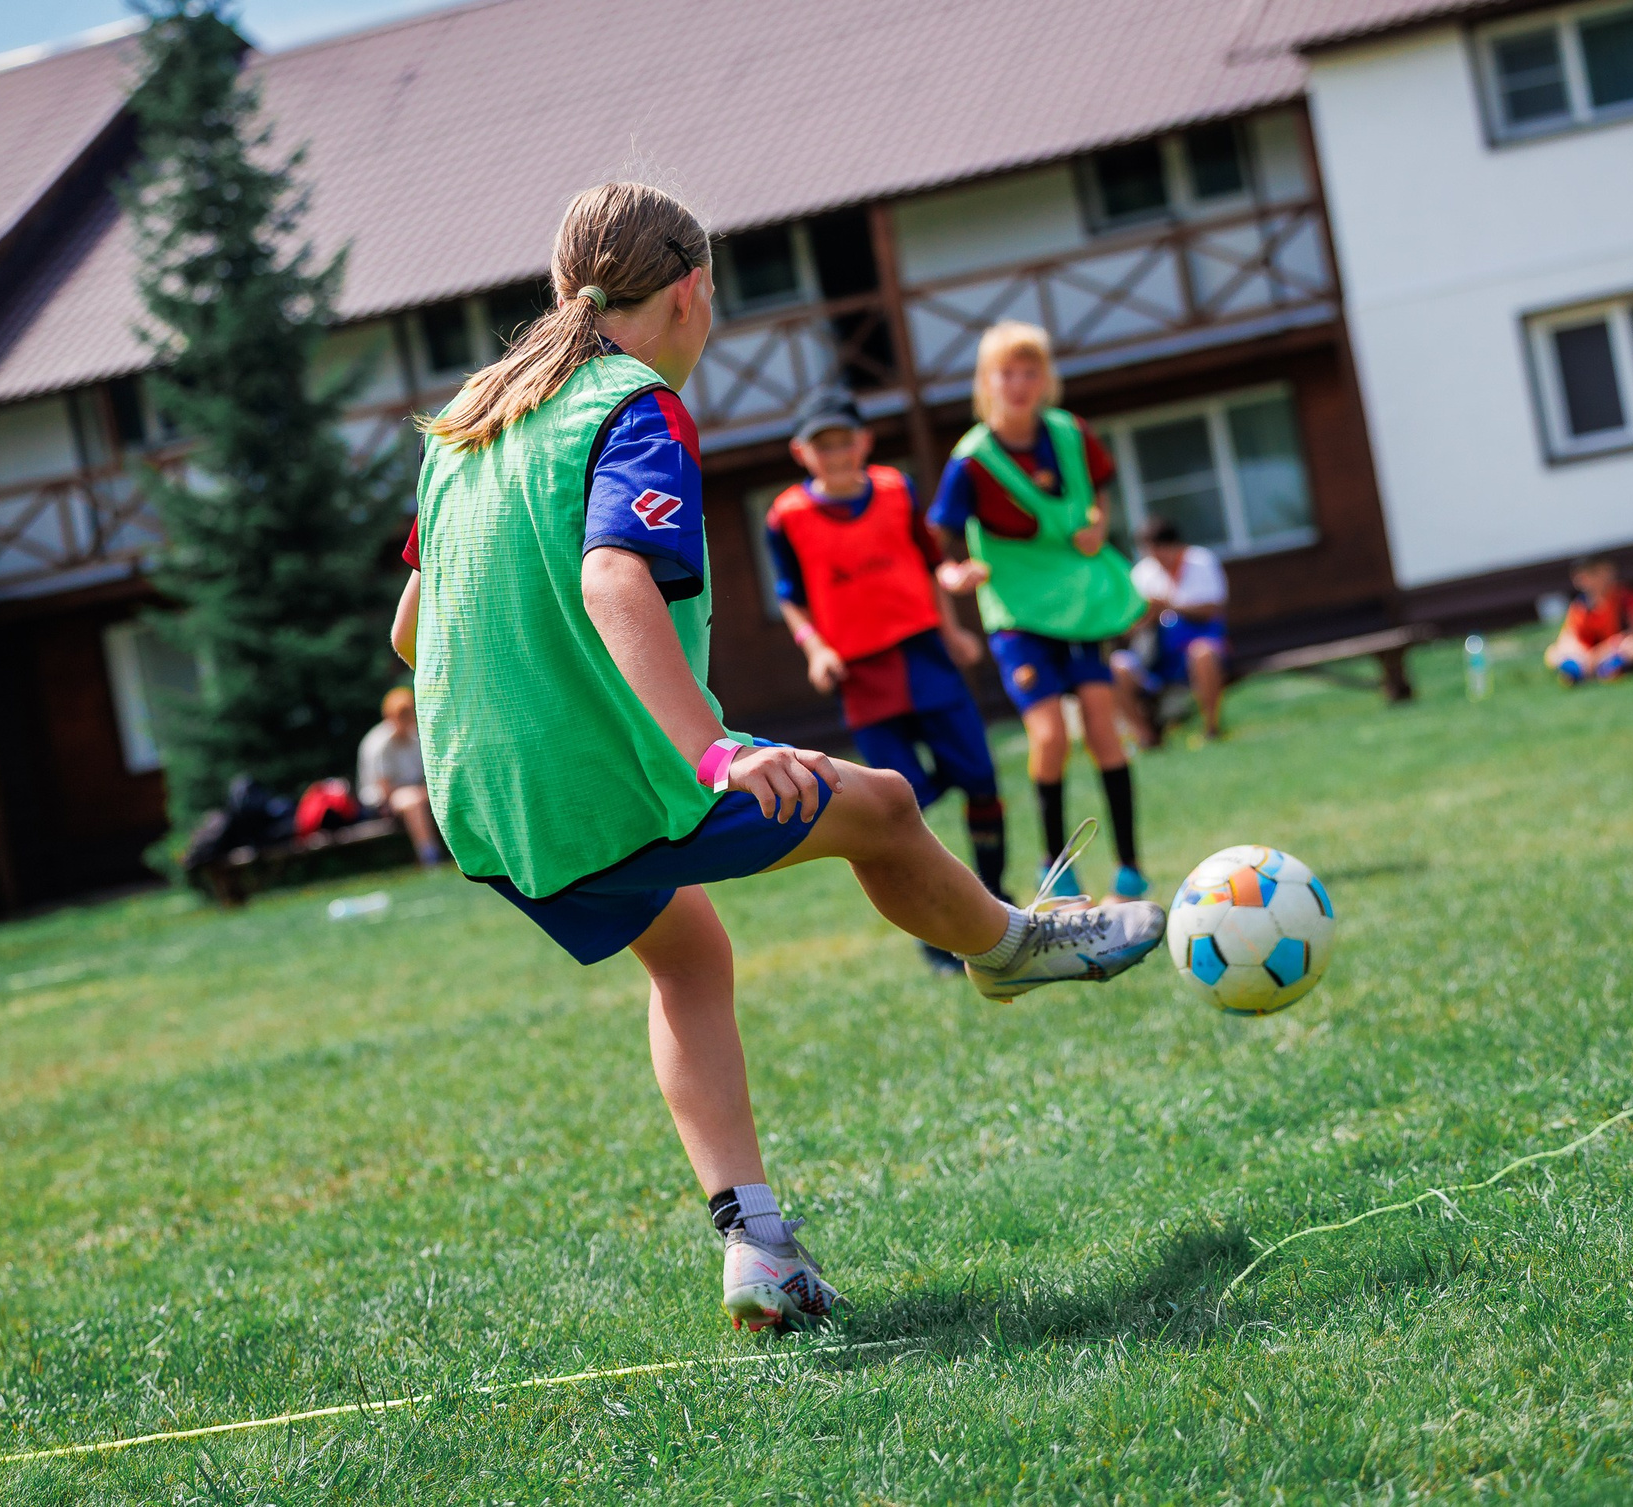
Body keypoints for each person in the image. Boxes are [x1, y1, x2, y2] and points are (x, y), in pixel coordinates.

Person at [391, 184, 1164, 1333]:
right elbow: (613, 578)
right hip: (604, 782)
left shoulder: (471, 421)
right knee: (886, 803)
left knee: (688, 954)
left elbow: (410, 626)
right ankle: (1008, 946)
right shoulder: (633, 405)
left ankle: (759, 1250)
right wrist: (709, 756)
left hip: (482, 813)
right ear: (697, 293)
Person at [764, 385, 1006, 971]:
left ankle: (994, 901)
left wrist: (951, 631)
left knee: (980, 778)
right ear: (803, 453)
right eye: (823, 445)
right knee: (892, 811)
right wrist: (815, 647)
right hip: (862, 675)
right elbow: (790, 597)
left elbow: (927, 564)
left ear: (863, 443)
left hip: (925, 655)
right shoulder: (786, 517)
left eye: (844, 441)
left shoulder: (897, 491)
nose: (836, 453)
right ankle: (934, 932)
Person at [926, 322, 1150, 900]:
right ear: (986, 382)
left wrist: (1099, 521)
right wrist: (956, 574)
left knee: (1104, 727)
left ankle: (1130, 868)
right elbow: (941, 541)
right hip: (1020, 616)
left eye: (1031, 372)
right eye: (1007, 373)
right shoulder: (972, 460)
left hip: (1080, 607)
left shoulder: (1070, 433)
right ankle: (1057, 865)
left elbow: (1101, 488)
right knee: (1049, 736)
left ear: (1046, 379)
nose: (1020, 384)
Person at [1113, 517, 1229, 744]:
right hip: (1156, 653)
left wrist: (1169, 605)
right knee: (1117, 666)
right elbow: (1127, 628)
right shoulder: (1142, 573)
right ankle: (1146, 738)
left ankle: (1211, 728)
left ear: (1176, 545)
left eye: (1160, 550)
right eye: (1150, 552)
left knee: (1202, 653)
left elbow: (1213, 608)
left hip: (1197, 644)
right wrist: (1147, 617)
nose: (1156, 558)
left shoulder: (1201, 561)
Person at [356, 686, 444, 865]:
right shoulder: (379, 744)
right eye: (403, 715)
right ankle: (430, 856)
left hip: (415, 790)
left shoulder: (415, 737)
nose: (409, 720)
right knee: (413, 801)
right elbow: (385, 789)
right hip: (381, 802)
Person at [1543, 556, 1633, 683]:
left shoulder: (1625, 598)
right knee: (1553, 653)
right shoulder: (1579, 606)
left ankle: (1599, 670)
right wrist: (1584, 654)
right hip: (1589, 656)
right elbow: (1569, 637)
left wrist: (1599, 652)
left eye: (1594, 573)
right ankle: (1586, 671)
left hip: (1616, 650)